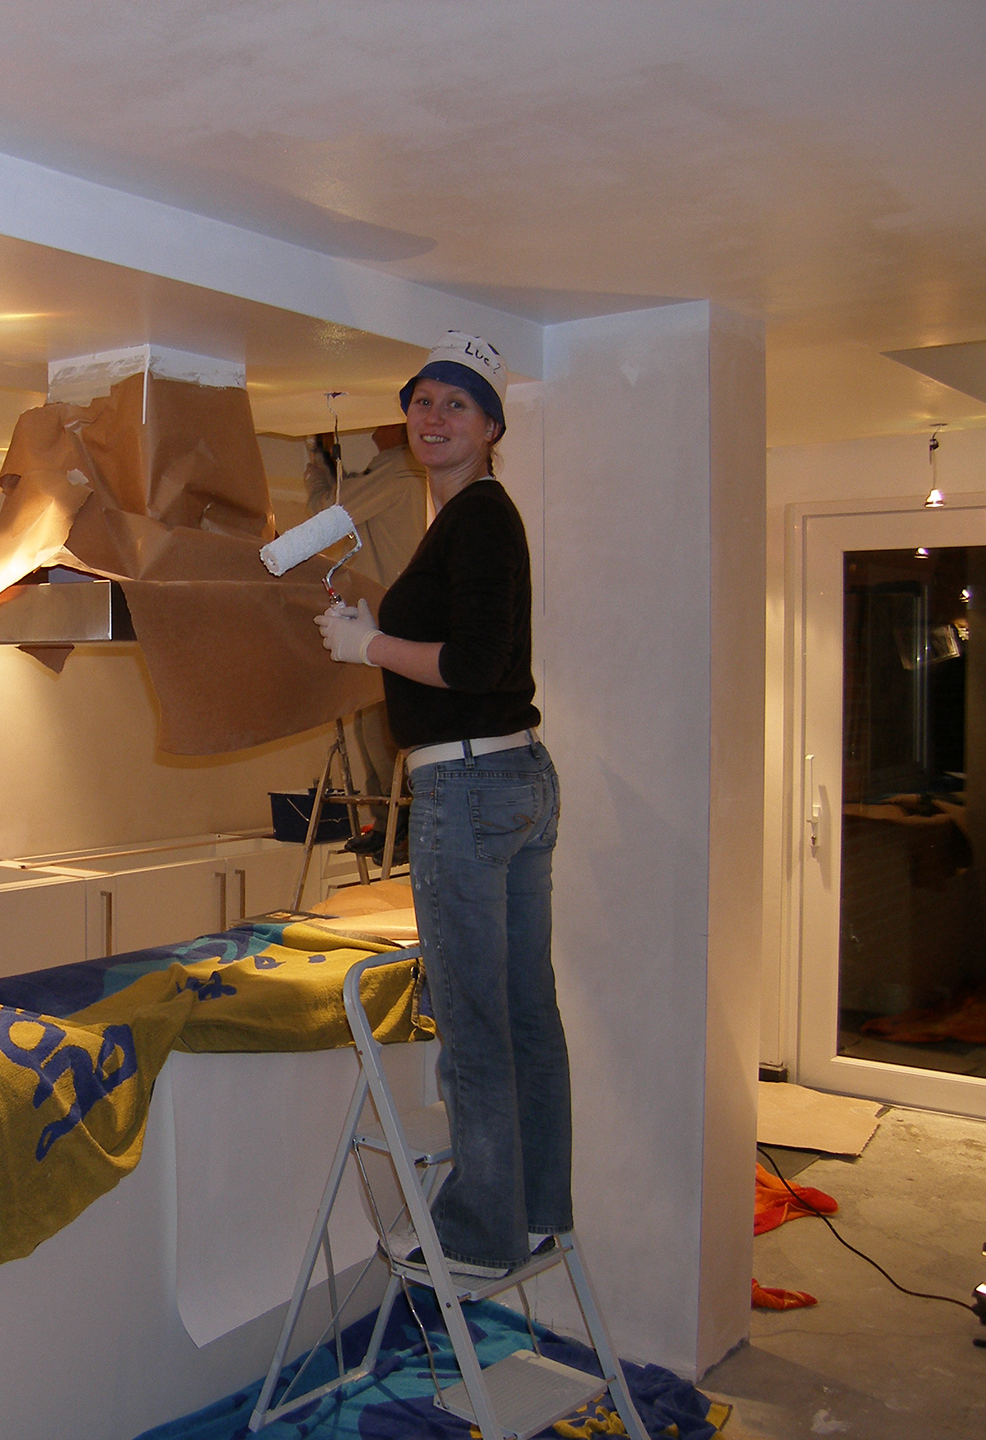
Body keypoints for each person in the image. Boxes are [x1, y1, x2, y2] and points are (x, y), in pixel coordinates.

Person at [314, 331, 570, 1282]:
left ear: (491, 426)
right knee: (525, 1008)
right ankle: (535, 1211)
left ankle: (476, 1232)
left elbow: (474, 665)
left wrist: (368, 649)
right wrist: (375, 628)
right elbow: (474, 651)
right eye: (422, 401)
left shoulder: (479, 519)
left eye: (456, 404)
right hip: (513, 777)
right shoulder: (467, 520)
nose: (433, 417)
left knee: (473, 1018)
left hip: (467, 786)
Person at [304, 422, 428, 840]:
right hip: (392, 621)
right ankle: (391, 824)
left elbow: (327, 515)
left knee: (378, 730)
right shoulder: (410, 474)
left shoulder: (396, 471)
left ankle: (398, 827)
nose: (375, 429)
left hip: (383, 624)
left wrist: (316, 468)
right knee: (371, 727)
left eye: (383, 422)